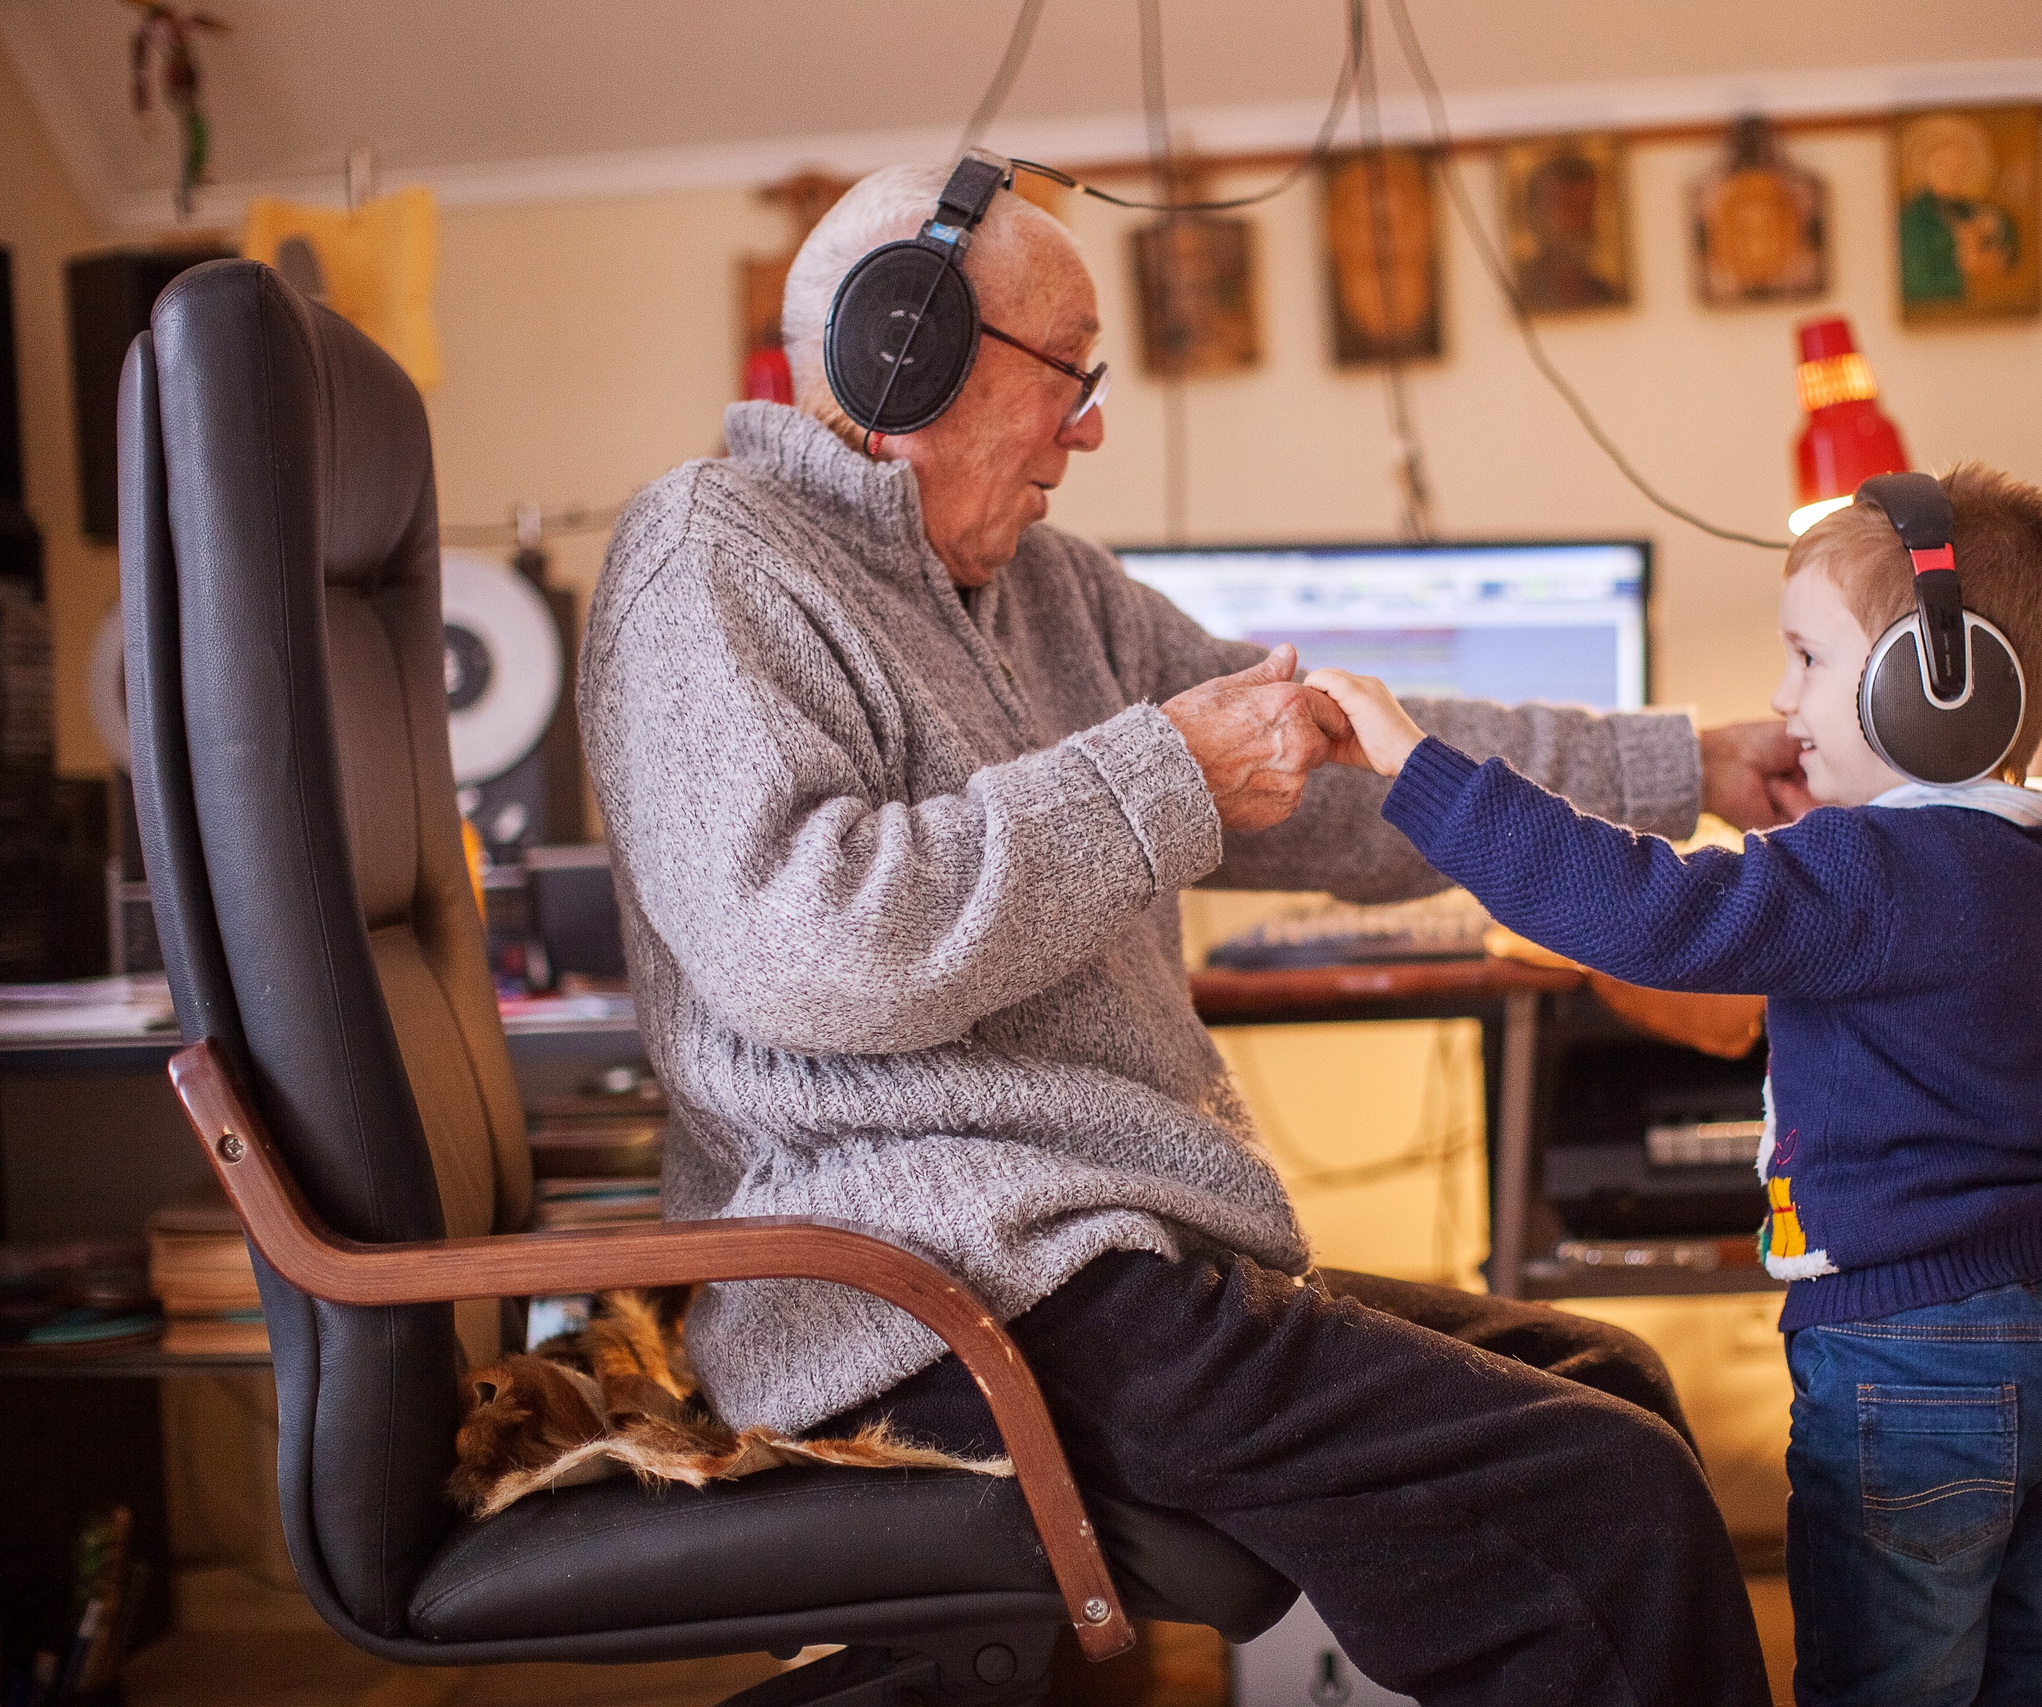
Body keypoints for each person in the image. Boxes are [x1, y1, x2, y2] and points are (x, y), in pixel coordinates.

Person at [579, 160, 1808, 1705]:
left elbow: (1337, 761)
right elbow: (809, 945)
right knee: (1598, 1496)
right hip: (913, 1284)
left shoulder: (1052, 590)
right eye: (1071, 375)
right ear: (912, 351)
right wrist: (1162, 772)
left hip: (1079, 1255)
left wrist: (1676, 767)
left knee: (1604, 1381)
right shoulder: (711, 556)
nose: (1089, 428)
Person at [1310, 463, 2042, 1707]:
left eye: (1806, 659)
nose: (1778, 698)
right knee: (2029, 1678)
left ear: (1933, 685)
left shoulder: (1863, 873)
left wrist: (1418, 767)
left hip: (1909, 1364)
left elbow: (1634, 909)